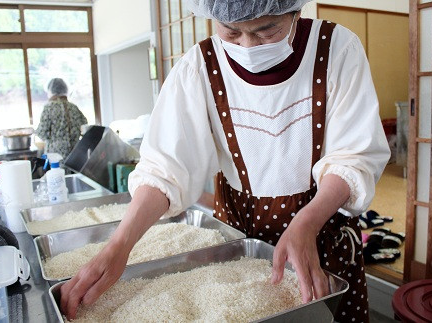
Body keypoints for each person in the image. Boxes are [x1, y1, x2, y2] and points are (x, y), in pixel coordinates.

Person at [60, 0, 390, 322]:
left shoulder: (336, 48)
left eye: (266, 30)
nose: (248, 45)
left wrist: (307, 221)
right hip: (239, 246)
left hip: (322, 238)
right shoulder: (199, 68)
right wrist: (120, 245)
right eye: (231, 32)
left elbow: (353, 156)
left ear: (296, 10)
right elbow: (164, 169)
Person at [35, 78, 87, 160]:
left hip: (55, 156)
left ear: (50, 91)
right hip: (75, 155)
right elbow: (84, 124)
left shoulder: (49, 107)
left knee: (57, 173)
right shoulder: (73, 107)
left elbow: (42, 133)